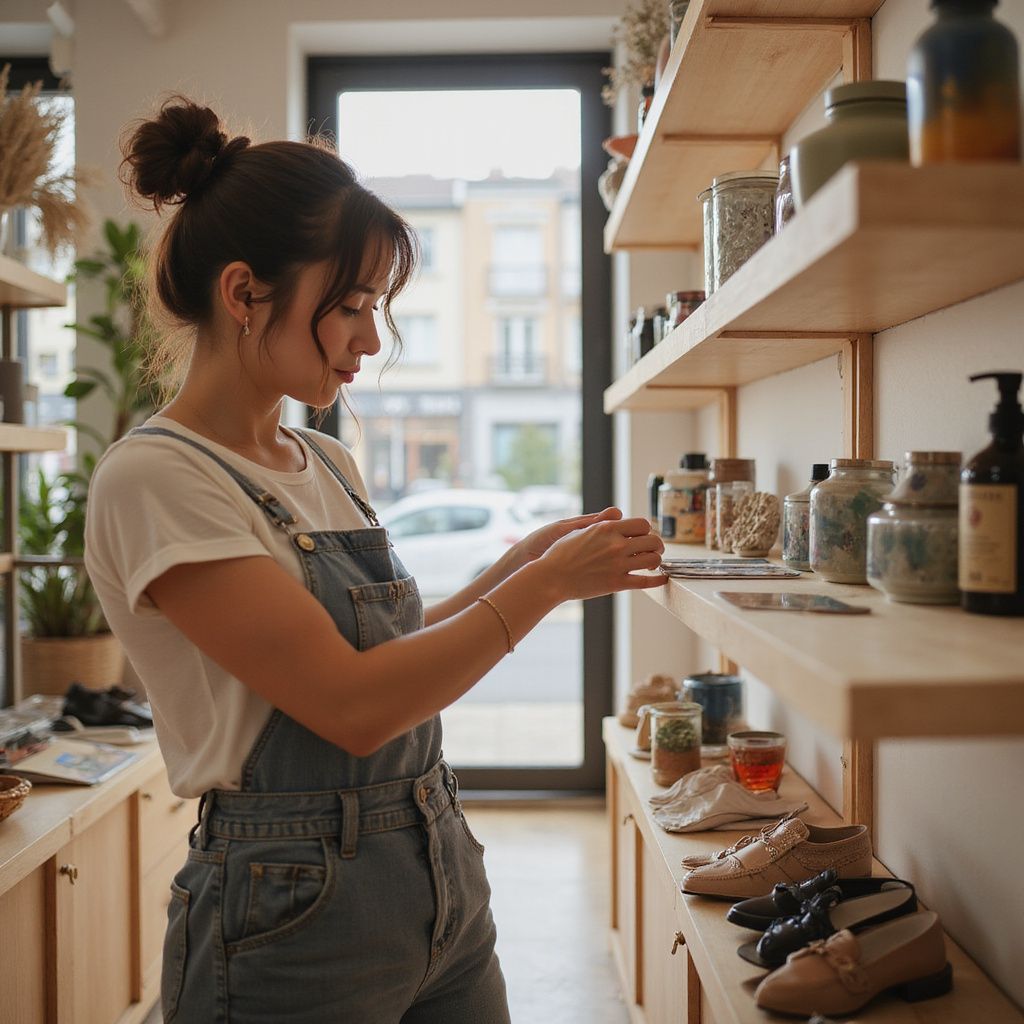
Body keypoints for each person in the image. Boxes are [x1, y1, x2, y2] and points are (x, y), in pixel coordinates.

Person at [84, 97, 668, 1024]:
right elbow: (353, 708)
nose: (370, 339)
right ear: (243, 294)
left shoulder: (322, 459)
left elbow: (385, 653)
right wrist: (549, 588)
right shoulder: (157, 477)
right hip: (290, 906)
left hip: (435, 866)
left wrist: (525, 561)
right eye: (350, 306)